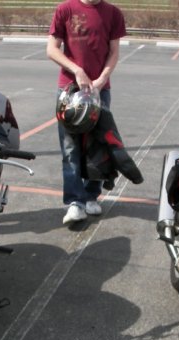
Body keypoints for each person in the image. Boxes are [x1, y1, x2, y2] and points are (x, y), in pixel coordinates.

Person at [46, 0, 127, 225]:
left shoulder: (113, 13)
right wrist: (77, 70)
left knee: (98, 145)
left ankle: (91, 195)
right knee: (70, 148)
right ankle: (75, 202)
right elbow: (52, 49)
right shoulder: (65, 9)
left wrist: (101, 80)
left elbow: (114, 52)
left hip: (100, 91)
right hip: (69, 90)